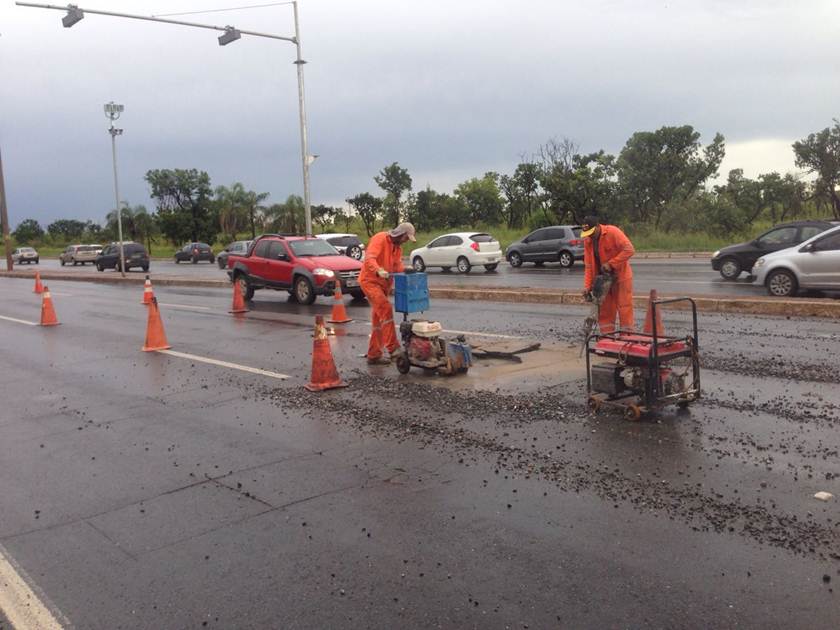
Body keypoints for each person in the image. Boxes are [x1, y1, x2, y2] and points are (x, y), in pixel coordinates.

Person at [359, 222, 416, 365]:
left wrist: (405, 269)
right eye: (406, 238)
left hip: (384, 285)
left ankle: (374, 355)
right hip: (370, 281)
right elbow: (370, 258)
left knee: (379, 321)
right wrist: (378, 270)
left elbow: (397, 266)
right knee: (385, 309)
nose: (406, 241)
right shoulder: (380, 239)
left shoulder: (397, 249)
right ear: (401, 234)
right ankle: (393, 349)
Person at [580, 215, 635, 334]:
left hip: (621, 278)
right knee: (605, 311)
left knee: (624, 308)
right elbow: (589, 265)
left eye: (591, 232)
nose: (589, 236)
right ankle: (607, 338)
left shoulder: (613, 232)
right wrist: (587, 286)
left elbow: (629, 249)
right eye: (587, 233)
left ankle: (627, 338)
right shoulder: (588, 241)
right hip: (603, 281)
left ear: (598, 227)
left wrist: (611, 264)